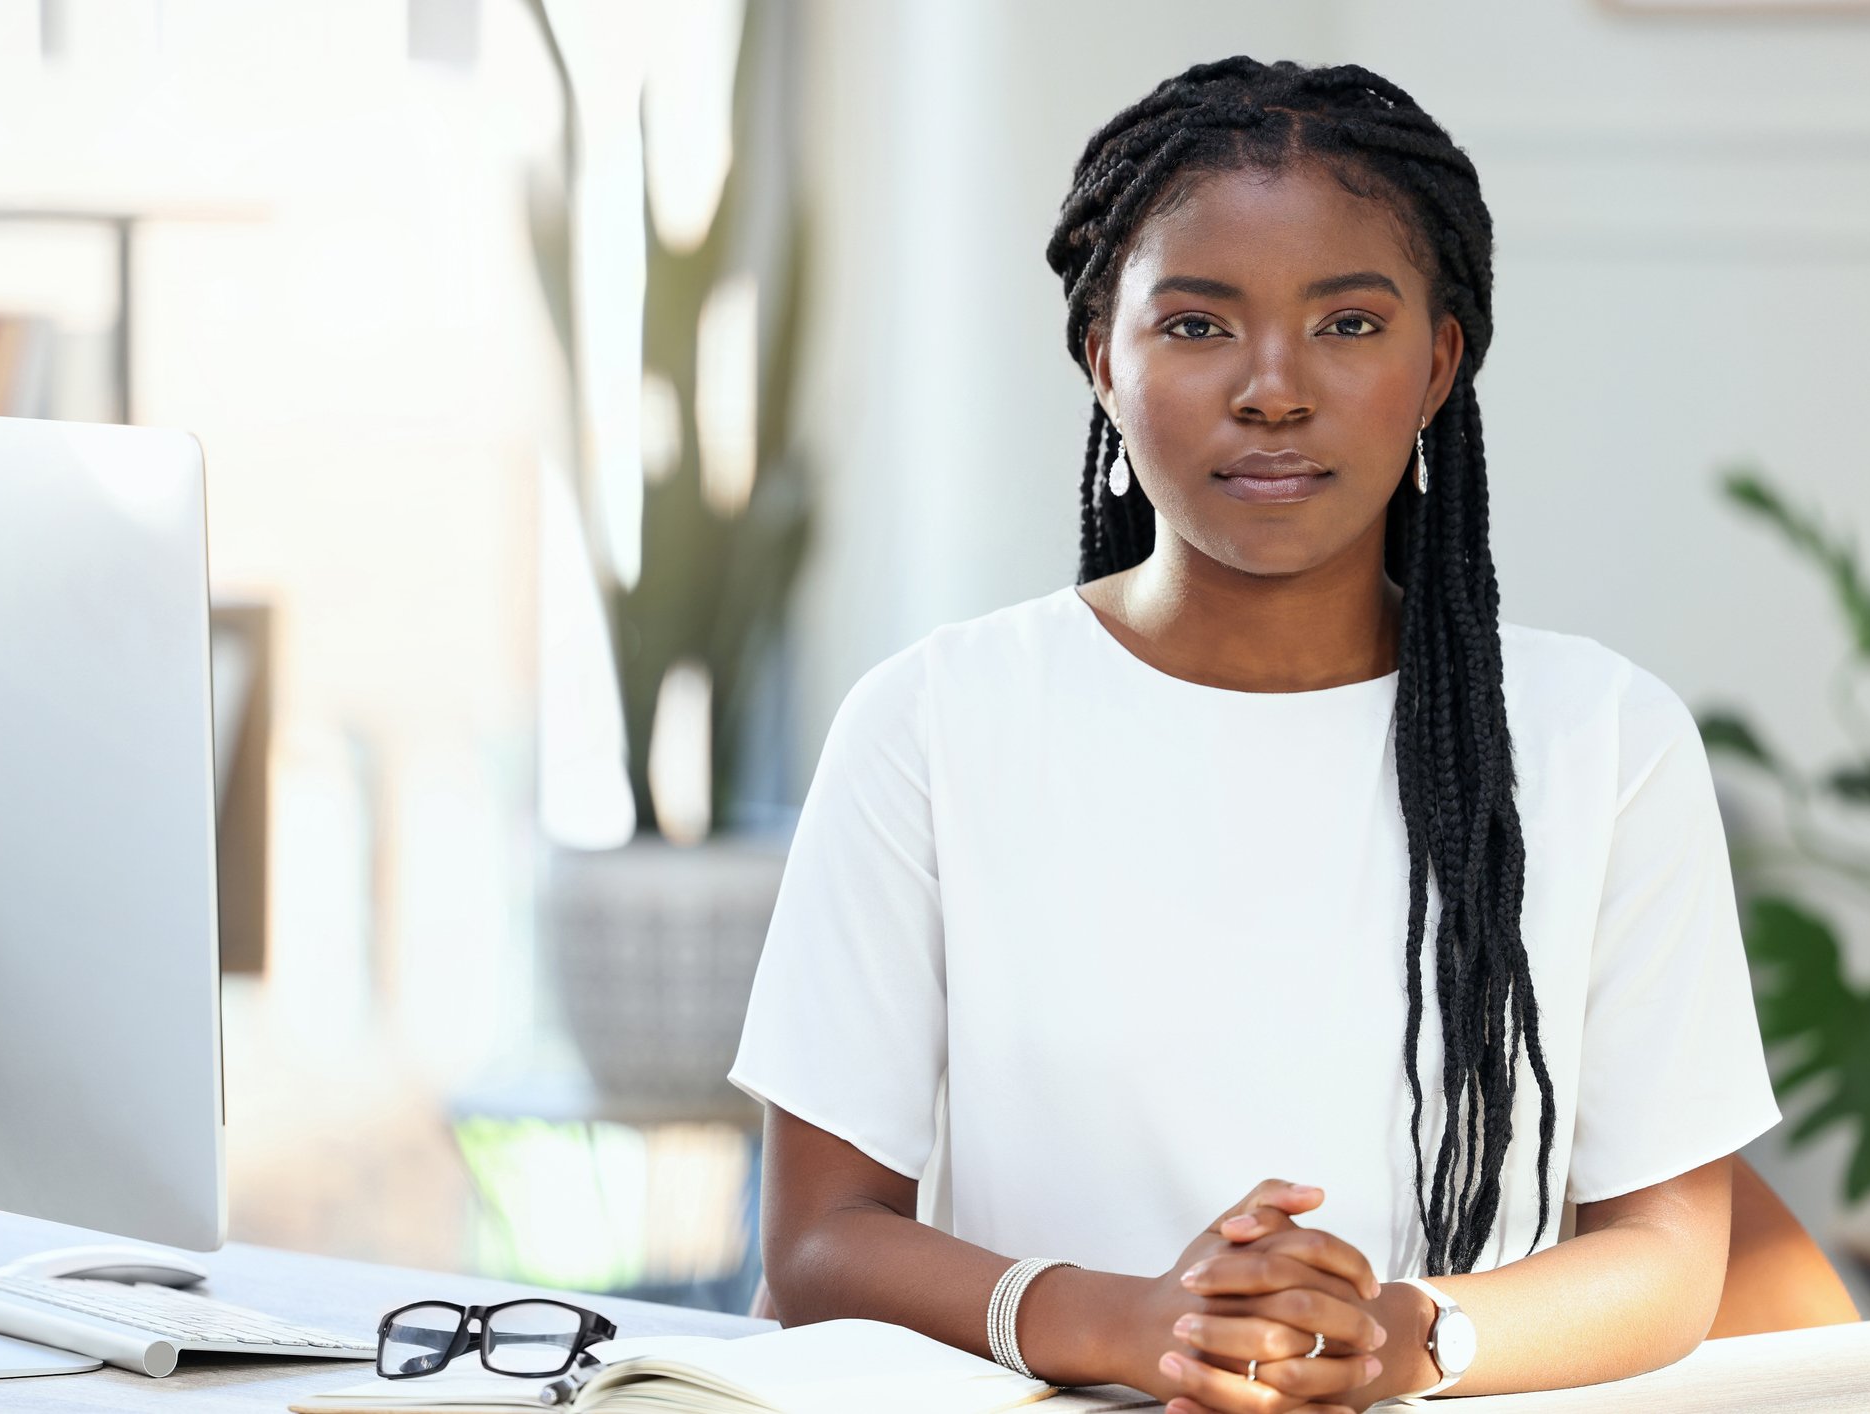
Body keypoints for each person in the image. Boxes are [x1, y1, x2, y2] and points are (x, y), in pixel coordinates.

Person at [727, 57, 1786, 1413]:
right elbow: (818, 1243)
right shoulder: (930, 723)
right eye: (1197, 325)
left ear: (1438, 362)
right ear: (1101, 354)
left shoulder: (1606, 739)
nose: (1275, 388)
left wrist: (1405, 1339)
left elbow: (1672, 1250)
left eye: (1348, 325)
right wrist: (1136, 1327)